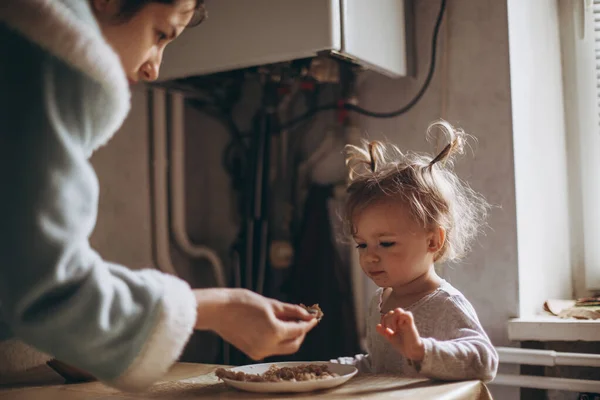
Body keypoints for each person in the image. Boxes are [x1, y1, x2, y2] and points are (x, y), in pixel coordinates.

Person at [0, 0, 317, 391]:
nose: (154, 68)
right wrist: (220, 308)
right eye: (161, 34)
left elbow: (18, 278)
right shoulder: (42, 59)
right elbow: (52, 291)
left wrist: (76, 342)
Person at [333, 121, 498, 382]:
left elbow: (485, 362)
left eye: (385, 243)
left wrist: (421, 350)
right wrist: (330, 368)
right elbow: (380, 365)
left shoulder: (445, 303)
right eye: (362, 244)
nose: (369, 256)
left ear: (433, 241)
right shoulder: (380, 301)